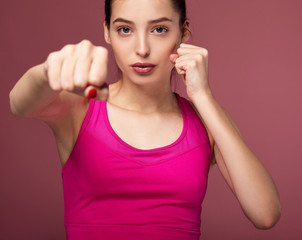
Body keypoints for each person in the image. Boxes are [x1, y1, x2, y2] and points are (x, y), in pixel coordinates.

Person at [9, 0, 281, 239]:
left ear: (183, 32)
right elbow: (18, 104)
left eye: (159, 29)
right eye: (125, 29)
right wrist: (49, 71)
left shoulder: (206, 120)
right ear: (107, 31)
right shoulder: (80, 110)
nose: (141, 49)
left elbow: (265, 214)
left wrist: (203, 95)